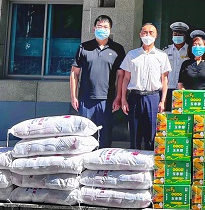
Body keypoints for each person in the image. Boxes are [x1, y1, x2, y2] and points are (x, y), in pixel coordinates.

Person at [69, 15, 126, 149]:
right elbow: (74, 73)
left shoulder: (117, 49)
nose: (102, 29)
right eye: (100, 26)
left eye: (106, 27)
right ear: (94, 28)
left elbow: (121, 75)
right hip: (85, 99)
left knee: (105, 136)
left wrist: (118, 97)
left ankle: (103, 161)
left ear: (110, 30)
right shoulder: (84, 47)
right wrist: (73, 96)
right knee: (84, 136)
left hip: (107, 99)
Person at [118, 23, 171, 150]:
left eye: (151, 32)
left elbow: (164, 80)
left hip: (153, 97)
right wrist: (123, 99)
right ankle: (133, 160)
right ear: (140, 34)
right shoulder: (132, 55)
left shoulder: (162, 56)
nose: (147, 35)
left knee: (151, 135)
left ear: (156, 35)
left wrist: (163, 101)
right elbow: (126, 78)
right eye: (144, 32)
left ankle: (149, 161)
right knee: (135, 133)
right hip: (135, 97)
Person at [164, 21, 190, 110]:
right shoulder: (166, 51)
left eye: (180, 34)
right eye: (175, 34)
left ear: (185, 36)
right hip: (169, 88)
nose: (177, 36)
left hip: (185, 90)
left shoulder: (190, 51)